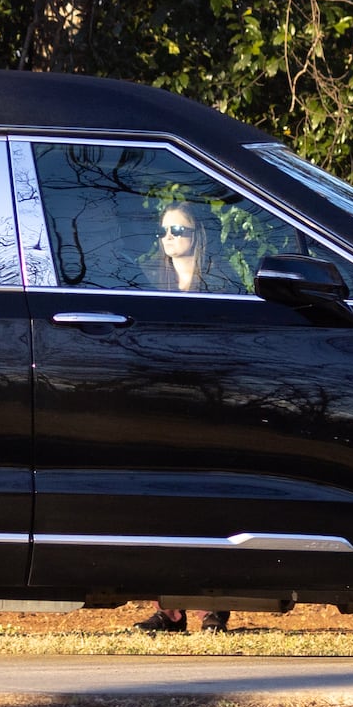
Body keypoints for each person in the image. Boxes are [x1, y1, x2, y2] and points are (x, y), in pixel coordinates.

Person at [133, 199, 233, 634]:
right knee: (164, 506)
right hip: (162, 402)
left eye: (179, 230)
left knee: (213, 503)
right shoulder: (146, 281)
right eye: (165, 231)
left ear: (199, 234)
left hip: (212, 400)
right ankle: (170, 610)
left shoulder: (221, 281)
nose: (169, 238)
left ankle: (215, 610)